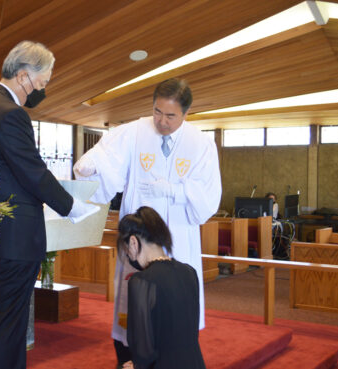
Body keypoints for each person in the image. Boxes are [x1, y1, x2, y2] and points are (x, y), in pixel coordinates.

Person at [0, 40, 98, 369]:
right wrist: (74, 208)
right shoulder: (11, 114)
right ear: (24, 76)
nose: (41, 90)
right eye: (43, 82)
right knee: (9, 326)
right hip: (14, 239)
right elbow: (33, 172)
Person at [73, 78, 221, 366]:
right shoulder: (133, 132)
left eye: (170, 116)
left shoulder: (201, 144)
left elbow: (208, 197)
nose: (161, 122)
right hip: (138, 241)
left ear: (186, 113)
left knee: (173, 311)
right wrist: (92, 168)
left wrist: (175, 190)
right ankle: (131, 358)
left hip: (178, 239)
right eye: (157, 112)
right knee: (135, 303)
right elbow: (107, 160)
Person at [118, 206, 206, 369]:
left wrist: (136, 365)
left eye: (125, 249)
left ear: (133, 242)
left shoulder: (141, 282)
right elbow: (191, 331)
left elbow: (142, 350)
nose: (128, 255)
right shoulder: (189, 272)